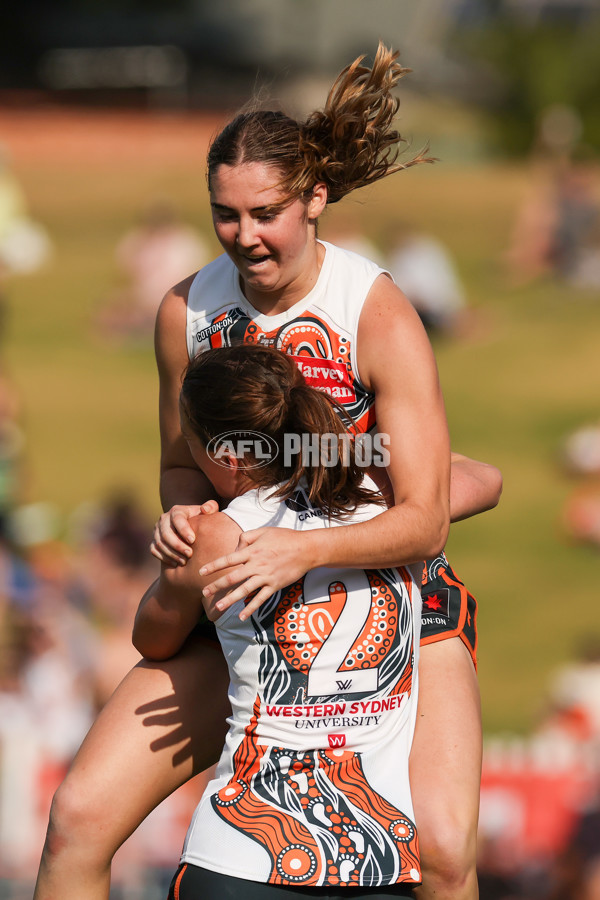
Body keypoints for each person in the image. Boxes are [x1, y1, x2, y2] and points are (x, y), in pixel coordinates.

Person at [35, 43, 501, 900]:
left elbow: (426, 516)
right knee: (76, 822)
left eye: (266, 212)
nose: (245, 235)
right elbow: (183, 463)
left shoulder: (376, 310)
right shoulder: (186, 310)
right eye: (225, 214)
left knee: (441, 852)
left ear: (315, 198)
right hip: (244, 600)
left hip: (389, 604)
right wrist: (184, 521)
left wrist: (302, 541)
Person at [135, 343, 423, 898]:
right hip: (377, 861)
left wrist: (175, 557)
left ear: (227, 458)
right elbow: (481, 480)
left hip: (245, 853)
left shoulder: (215, 535)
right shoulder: (382, 498)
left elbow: (152, 637)